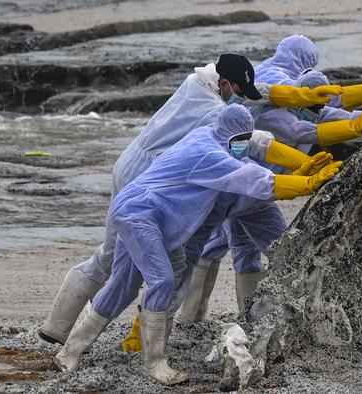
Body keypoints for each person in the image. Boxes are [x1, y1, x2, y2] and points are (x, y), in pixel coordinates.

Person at [39, 53, 343, 346]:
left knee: (115, 256)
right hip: (146, 178)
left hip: (132, 165)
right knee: (144, 263)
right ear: (224, 83)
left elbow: (260, 93)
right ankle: (119, 336)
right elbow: (255, 145)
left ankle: (59, 328)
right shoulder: (212, 112)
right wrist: (302, 172)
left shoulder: (196, 82)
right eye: (238, 89)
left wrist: (302, 98)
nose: (242, 96)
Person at [51, 105, 340, 385]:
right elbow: (250, 178)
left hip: (138, 210)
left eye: (245, 140)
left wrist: (300, 169)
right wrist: (308, 184)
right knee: (162, 279)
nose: (243, 145)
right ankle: (154, 362)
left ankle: (69, 353)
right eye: (240, 140)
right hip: (140, 213)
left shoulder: (210, 135)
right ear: (229, 135)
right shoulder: (208, 154)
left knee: (124, 283)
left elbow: (251, 155)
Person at [175, 66, 362, 323]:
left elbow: (339, 110)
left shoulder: (313, 110)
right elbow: (299, 132)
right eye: (310, 105)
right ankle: (192, 319)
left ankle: (243, 319)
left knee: (246, 250)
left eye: (317, 108)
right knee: (279, 253)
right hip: (245, 190)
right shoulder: (270, 115)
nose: (315, 113)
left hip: (258, 198)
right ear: (299, 95)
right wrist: (310, 178)